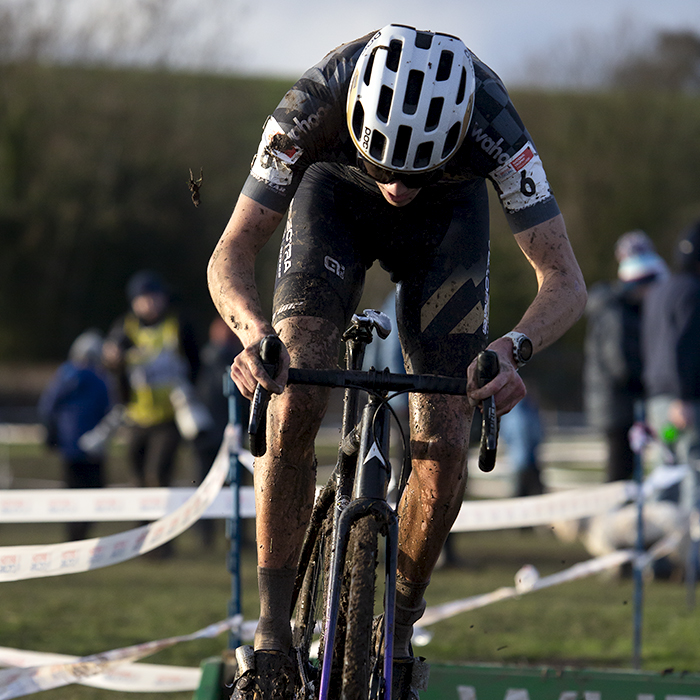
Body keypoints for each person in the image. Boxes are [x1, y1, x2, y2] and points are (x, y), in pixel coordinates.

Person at [207, 25, 586, 699]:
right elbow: (232, 251)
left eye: (417, 172)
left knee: (444, 435)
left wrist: (510, 349)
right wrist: (252, 331)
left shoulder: (495, 122)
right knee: (293, 392)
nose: (400, 188)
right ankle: (270, 630)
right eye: (389, 168)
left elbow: (564, 278)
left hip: (451, 223)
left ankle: (402, 632)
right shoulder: (310, 107)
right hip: (333, 199)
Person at [103, 270, 201, 556]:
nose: (151, 303)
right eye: (145, 298)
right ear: (135, 302)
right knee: (137, 477)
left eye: (155, 297)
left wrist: (188, 393)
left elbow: (196, 363)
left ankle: (163, 543)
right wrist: (113, 361)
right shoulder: (124, 328)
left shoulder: (178, 324)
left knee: (158, 475)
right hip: (136, 417)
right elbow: (112, 364)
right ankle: (140, 542)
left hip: (170, 417)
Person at [583, 231, 668, 481]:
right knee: (620, 474)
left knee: (627, 470)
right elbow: (620, 363)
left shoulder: (625, 310)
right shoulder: (616, 313)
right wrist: (649, 381)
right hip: (617, 405)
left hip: (620, 403)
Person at [38, 330, 112, 541]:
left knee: (73, 494)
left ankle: (74, 539)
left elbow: (47, 406)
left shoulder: (65, 374)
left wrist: (51, 433)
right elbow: (110, 409)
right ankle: (81, 538)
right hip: (92, 448)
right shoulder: (100, 379)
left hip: (69, 446)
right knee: (94, 492)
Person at [642, 221, 700, 469]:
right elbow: (686, 346)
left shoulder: (658, 291)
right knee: (690, 469)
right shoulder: (693, 293)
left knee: (665, 466)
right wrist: (684, 398)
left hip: (658, 403)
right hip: (683, 405)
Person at [193, 316, 245, 548]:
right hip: (209, 434)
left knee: (235, 488)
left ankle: (234, 538)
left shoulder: (232, 361)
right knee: (208, 486)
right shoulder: (203, 362)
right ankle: (207, 538)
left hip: (228, 433)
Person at [499, 386, 544, 497]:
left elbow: (505, 435)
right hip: (527, 461)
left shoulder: (510, 412)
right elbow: (536, 435)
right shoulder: (526, 412)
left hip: (517, 461)